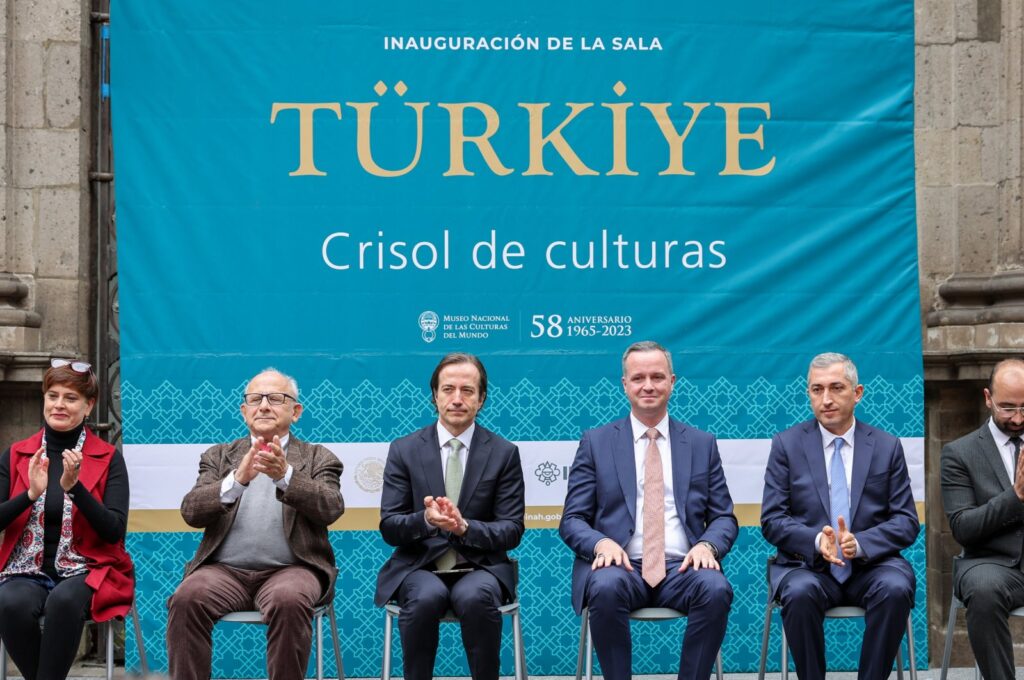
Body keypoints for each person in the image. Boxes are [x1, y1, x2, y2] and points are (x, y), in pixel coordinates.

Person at [559, 340, 737, 680]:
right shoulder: (596, 443)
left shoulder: (701, 444)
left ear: (673, 381)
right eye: (638, 378)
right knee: (605, 586)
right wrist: (601, 544)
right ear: (625, 384)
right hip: (620, 565)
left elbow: (724, 517)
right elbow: (572, 520)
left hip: (682, 567)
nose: (648, 385)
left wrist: (707, 545)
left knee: (716, 589)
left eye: (657, 376)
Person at [166, 368, 344, 680]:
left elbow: (331, 508)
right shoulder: (219, 455)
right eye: (255, 399)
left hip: (293, 570)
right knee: (186, 598)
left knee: (289, 600)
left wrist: (285, 476)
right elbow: (191, 512)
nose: (263, 405)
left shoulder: (318, 457)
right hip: (223, 572)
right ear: (244, 410)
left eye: (276, 398)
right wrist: (236, 481)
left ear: (296, 411)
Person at [761, 352, 919, 680]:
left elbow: (906, 521)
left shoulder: (887, 446)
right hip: (807, 567)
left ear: (857, 392)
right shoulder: (787, 445)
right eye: (817, 390)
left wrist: (859, 543)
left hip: (872, 566)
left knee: (895, 588)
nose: (826, 399)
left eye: (836, 388)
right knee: (799, 593)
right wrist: (818, 541)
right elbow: (773, 519)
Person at [375, 352, 525, 680]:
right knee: (426, 597)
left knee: (475, 597)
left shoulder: (504, 454)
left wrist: (465, 527)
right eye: (448, 389)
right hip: (419, 566)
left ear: (482, 398)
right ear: (435, 395)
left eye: (467, 390)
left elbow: (512, 529)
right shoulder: (405, 450)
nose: (457, 399)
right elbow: (389, 525)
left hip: (480, 566)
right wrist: (426, 520)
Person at [0, 358, 133, 680]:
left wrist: (76, 490)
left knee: (63, 601)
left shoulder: (108, 457)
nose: (59, 405)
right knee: (9, 602)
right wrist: (29, 495)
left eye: (70, 398)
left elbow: (114, 531)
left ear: (89, 406)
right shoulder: (17, 454)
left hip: (88, 569)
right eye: (53, 395)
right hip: (24, 571)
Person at [941, 358, 1024, 680]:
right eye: (1007, 408)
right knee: (985, 590)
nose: (1017, 418)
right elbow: (964, 527)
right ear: (988, 398)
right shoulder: (959, 453)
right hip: (989, 564)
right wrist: (1015, 497)